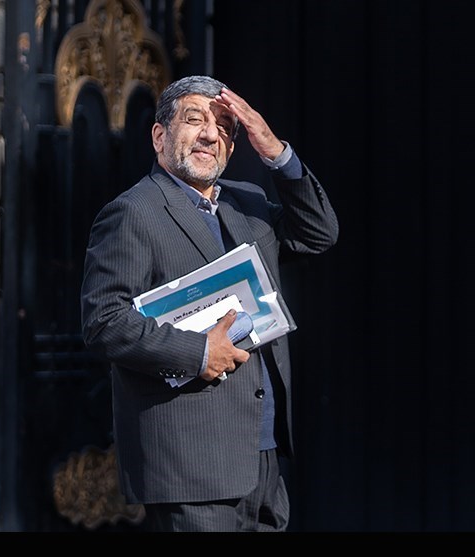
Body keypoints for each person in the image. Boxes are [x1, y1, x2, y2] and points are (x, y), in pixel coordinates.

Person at [80, 75, 339, 532]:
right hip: (190, 464)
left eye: (224, 127)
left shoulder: (248, 202)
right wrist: (199, 352)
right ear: (159, 136)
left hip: (263, 457)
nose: (209, 134)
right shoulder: (133, 212)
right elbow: (104, 322)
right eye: (194, 119)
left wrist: (276, 153)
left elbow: (318, 233)